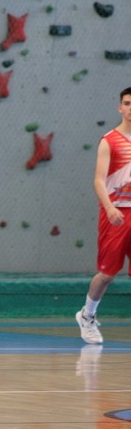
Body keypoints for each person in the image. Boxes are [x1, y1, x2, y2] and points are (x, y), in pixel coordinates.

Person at [76, 87, 131, 345]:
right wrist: (109, 208)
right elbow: (98, 181)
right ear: (120, 107)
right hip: (116, 213)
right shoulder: (109, 140)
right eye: (127, 103)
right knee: (107, 274)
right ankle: (87, 315)